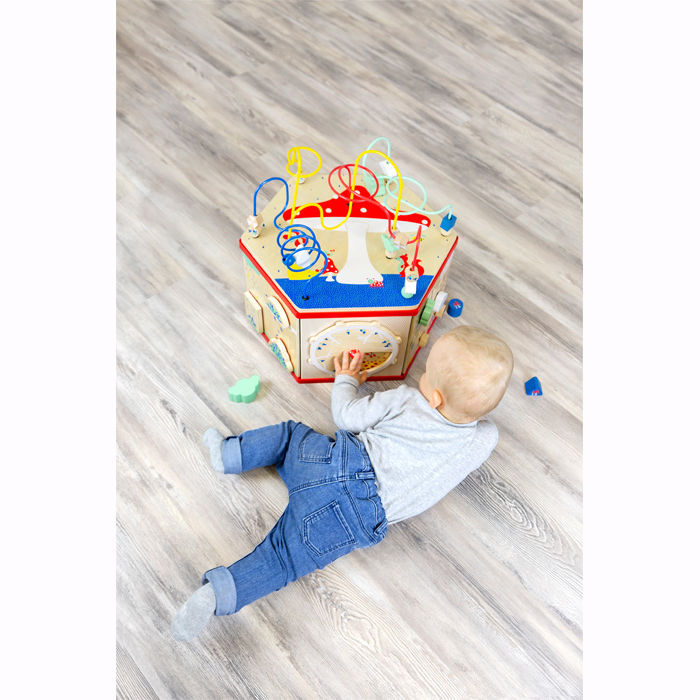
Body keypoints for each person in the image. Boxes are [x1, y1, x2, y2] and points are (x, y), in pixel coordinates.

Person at [172, 325, 514, 641]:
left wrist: (347, 379)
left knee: (289, 439)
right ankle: (216, 594)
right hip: (355, 520)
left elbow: (346, 417)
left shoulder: (408, 401)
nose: (420, 378)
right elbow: (487, 428)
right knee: (283, 559)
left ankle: (231, 454)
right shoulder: (480, 441)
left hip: (334, 463)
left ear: (434, 398)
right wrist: (472, 407)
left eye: (426, 375)